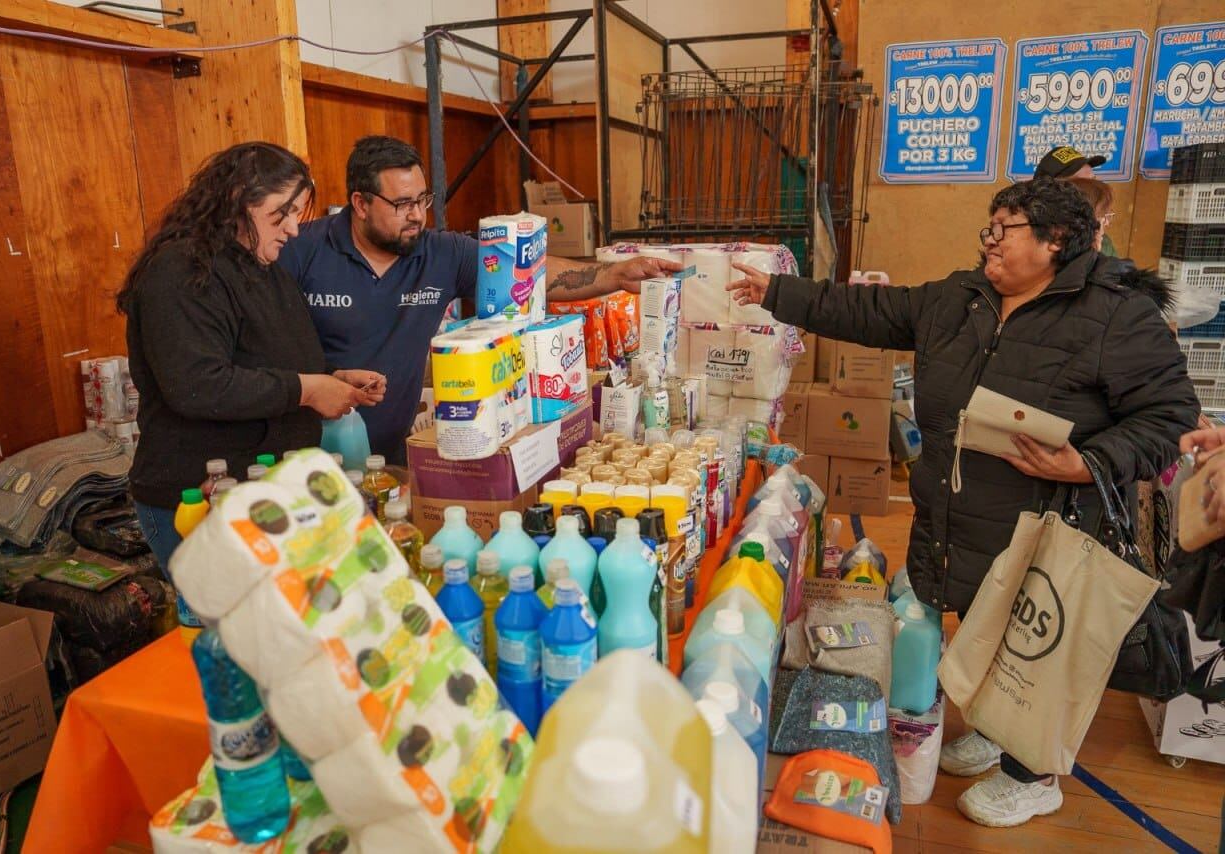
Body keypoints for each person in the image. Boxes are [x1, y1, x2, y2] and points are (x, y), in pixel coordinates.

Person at [729, 178, 1199, 827]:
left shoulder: (1116, 314)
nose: (989, 240)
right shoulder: (963, 297)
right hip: (956, 515)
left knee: (1035, 648)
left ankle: (1033, 776)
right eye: (990, 226)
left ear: (1055, 241)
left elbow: (1171, 416)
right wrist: (777, 293)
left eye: (1005, 230)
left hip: (1050, 524)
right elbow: (874, 311)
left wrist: (1087, 463)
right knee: (979, 626)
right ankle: (996, 728)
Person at [279, 135, 681, 465]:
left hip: (393, 456)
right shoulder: (301, 249)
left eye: (423, 200)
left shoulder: (440, 253)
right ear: (361, 203)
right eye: (402, 204)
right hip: (306, 455)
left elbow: (527, 277)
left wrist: (611, 275)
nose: (418, 215)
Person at [119, 142, 387, 570]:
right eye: (283, 213)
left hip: (263, 492)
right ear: (238, 199)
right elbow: (197, 385)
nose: (294, 229)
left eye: (299, 214)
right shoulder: (180, 273)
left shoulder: (263, 270)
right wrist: (308, 390)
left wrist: (333, 378)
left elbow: (267, 360)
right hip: (196, 499)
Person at [1035, 146, 1118, 256]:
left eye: (1094, 180)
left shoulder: (1103, 241)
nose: (1096, 188)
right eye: (1085, 184)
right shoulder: (1029, 236)